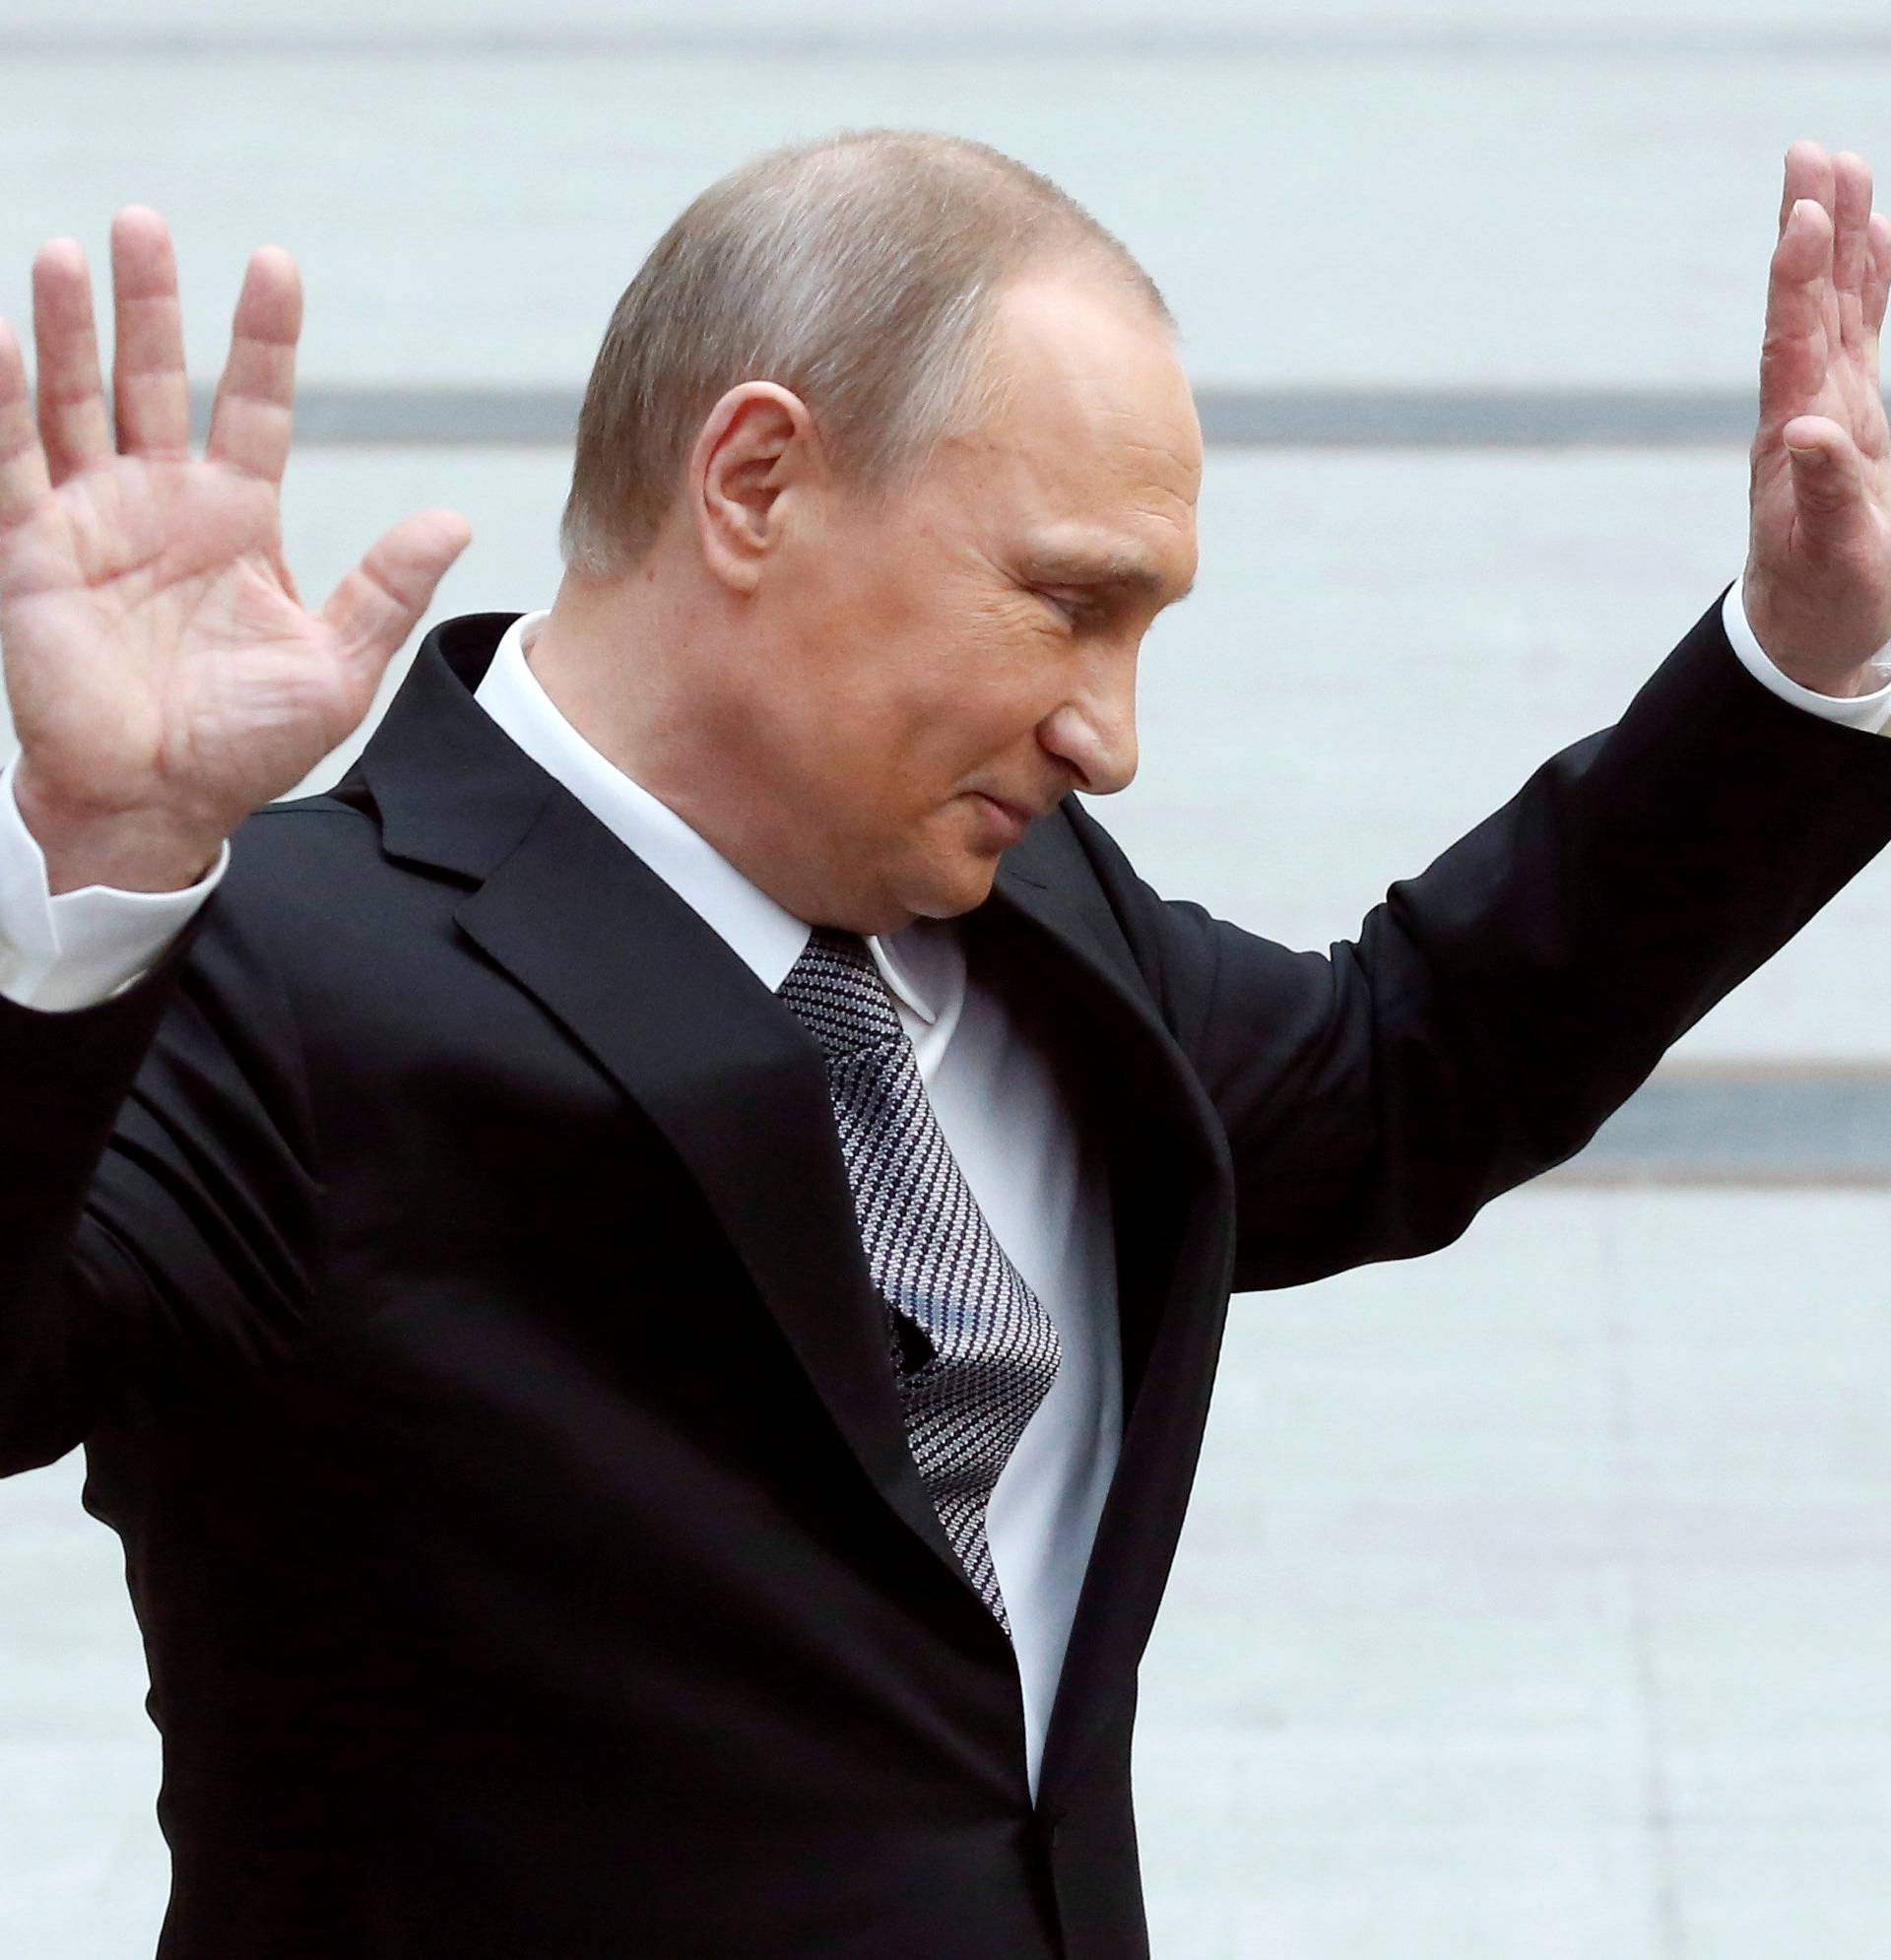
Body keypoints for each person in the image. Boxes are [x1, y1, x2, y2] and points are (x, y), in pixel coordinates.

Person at [2, 127, 1891, 1959]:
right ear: (753, 481)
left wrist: (1805, 668)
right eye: (1069, 605)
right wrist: (96, 877)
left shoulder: (1040, 926)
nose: (1111, 735)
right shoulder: (271, 973)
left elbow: (1409, 1067)